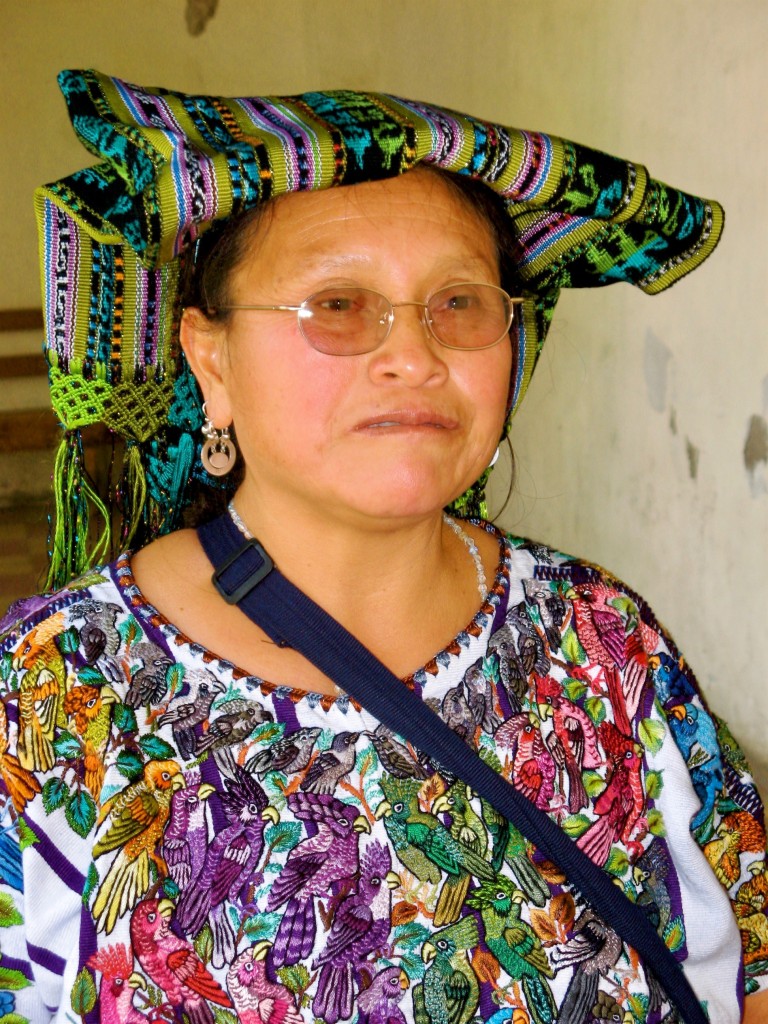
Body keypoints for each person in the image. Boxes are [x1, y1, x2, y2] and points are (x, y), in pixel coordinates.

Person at [0, 70, 765, 1024]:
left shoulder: (600, 639)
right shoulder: (50, 695)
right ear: (211, 360)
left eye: (459, 304)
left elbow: (746, 964)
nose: (414, 354)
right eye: (338, 304)